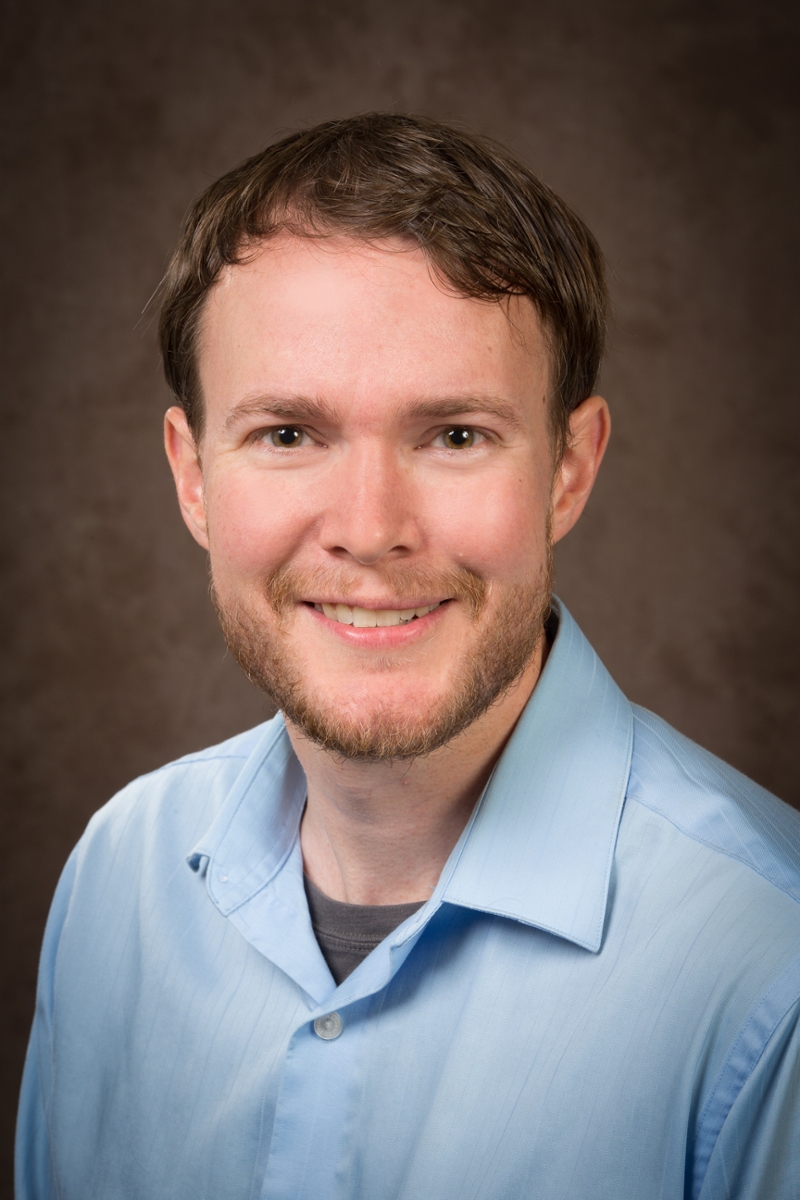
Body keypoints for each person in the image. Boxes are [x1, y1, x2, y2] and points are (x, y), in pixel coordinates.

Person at [16, 113, 800, 1200]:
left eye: (454, 435)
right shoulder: (118, 882)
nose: (371, 527)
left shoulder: (770, 968)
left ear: (567, 470)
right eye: (287, 434)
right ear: (192, 477)